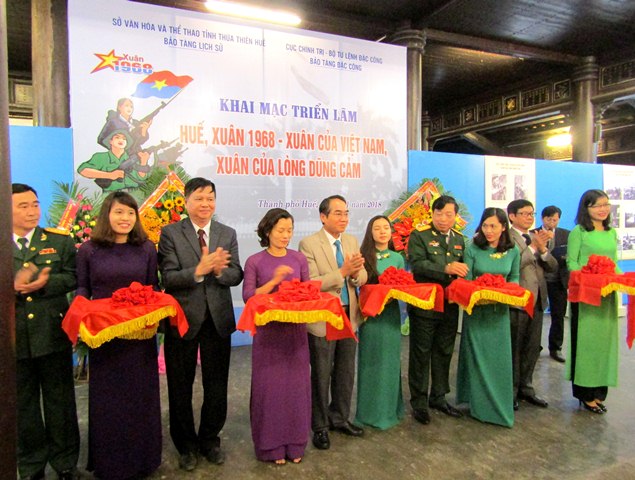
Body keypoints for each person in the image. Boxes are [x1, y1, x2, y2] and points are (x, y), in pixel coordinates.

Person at [158, 177, 243, 471]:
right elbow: (168, 277)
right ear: (186, 201)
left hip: (217, 320)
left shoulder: (226, 233)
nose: (205, 204)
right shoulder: (170, 233)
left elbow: (236, 274)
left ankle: (209, 440)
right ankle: (185, 446)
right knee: (180, 386)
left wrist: (219, 271)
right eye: (199, 198)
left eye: (210, 198)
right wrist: (199, 270)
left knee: (216, 385)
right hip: (183, 320)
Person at [75, 191, 162, 479]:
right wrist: (82, 317)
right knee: (109, 402)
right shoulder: (88, 250)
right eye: (119, 212)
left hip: (139, 339)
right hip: (105, 338)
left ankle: (143, 460)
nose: (125, 218)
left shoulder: (146, 248)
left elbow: (152, 288)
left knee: (140, 399)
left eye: (130, 213)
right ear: (107, 215)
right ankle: (109, 463)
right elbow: (82, 289)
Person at [12, 183, 80, 480]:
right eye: (23, 206)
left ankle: (65, 463)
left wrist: (45, 284)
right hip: (14, 338)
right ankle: (30, 465)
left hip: (52, 333)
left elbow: (73, 277)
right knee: (23, 406)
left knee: (60, 402)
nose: (32, 211)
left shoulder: (58, 241)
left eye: (35, 204)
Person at [298, 195, 367, 450]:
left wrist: (357, 275)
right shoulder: (308, 244)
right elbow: (311, 283)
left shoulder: (351, 241)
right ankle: (320, 426)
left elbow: (362, 274)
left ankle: (339, 418)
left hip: (349, 315)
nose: (344, 218)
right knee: (321, 373)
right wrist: (342, 272)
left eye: (346, 213)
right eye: (338, 213)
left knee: (345, 371)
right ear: (323, 216)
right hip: (324, 316)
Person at [242, 208, 311, 464]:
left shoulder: (299, 259)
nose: (286, 235)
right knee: (269, 390)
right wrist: (274, 282)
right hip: (268, 335)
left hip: (295, 333)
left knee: (296, 389)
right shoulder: (254, 261)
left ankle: (296, 443)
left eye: (289, 230)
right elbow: (249, 296)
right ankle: (270, 447)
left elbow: (308, 292)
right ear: (268, 231)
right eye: (281, 230)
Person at [456, 207, 520, 427]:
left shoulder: (512, 250)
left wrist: (504, 292)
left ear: (503, 227)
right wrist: (482, 293)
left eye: (493, 226)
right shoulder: (472, 248)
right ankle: (478, 405)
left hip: (499, 314)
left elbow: (515, 278)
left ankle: (499, 404)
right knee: (478, 358)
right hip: (477, 313)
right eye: (485, 225)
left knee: (498, 361)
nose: (489, 230)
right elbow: (466, 281)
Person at [406, 195, 467, 425]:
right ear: (432, 214)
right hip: (426, 304)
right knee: (421, 353)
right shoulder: (419, 235)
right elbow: (418, 264)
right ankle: (419, 402)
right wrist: (446, 268)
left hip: (449, 305)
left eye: (448, 214)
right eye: (438, 214)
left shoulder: (459, 239)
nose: (443, 219)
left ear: (455, 216)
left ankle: (439, 397)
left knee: (444, 351)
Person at [566, 189, 619, 414]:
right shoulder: (579, 232)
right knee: (586, 344)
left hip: (607, 295)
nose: (603, 209)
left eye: (606, 204)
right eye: (597, 205)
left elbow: (614, 263)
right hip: (586, 296)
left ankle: (599, 391)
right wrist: (591, 278)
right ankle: (585, 394)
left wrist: (618, 280)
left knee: (604, 344)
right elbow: (572, 263)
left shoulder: (611, 232)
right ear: (586, 208)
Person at [355, 215, 405, 429]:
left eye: (386, 227)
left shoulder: (398, 258)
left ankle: (389, 410)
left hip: (391, 316)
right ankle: (368, 412)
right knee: (371, 362)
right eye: (377, 228)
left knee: (390, 362)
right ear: (370, 232)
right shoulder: (363, 257)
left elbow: (403, 285)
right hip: (371, 317)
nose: (383, 231)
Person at [507, 199, 557, 409]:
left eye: (532, 214)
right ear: (512, 216)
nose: (529, 217)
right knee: (515, 347)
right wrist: (533, 248)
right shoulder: (506, 237)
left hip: (538, 300)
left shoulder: (538, 236)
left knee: (532, 347)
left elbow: (553, 267)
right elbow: (511, 265)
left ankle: (526, 388)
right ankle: (510, 391)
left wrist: (543, 250)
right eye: (525, 213)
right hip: (518, 300)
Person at [536, 205, 570, 363]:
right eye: (548, 219)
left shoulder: (566, 234)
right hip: (539, 279)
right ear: (542, 218)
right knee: (537, 314)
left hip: (558, 280)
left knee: (558, 315)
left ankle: (556, 348)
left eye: (555, 220)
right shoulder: (533, 233)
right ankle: (535, 346)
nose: (551, 223)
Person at [78, 129, 150, 191]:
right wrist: (109, 175)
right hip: (111, 196)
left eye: (124, 139)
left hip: (134, 194)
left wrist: (143, 162)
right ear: (110, 141)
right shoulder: (101, 157)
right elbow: (83, 170)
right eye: (117, 137)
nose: (121, 140)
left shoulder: (133, 158)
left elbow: (141, 178)